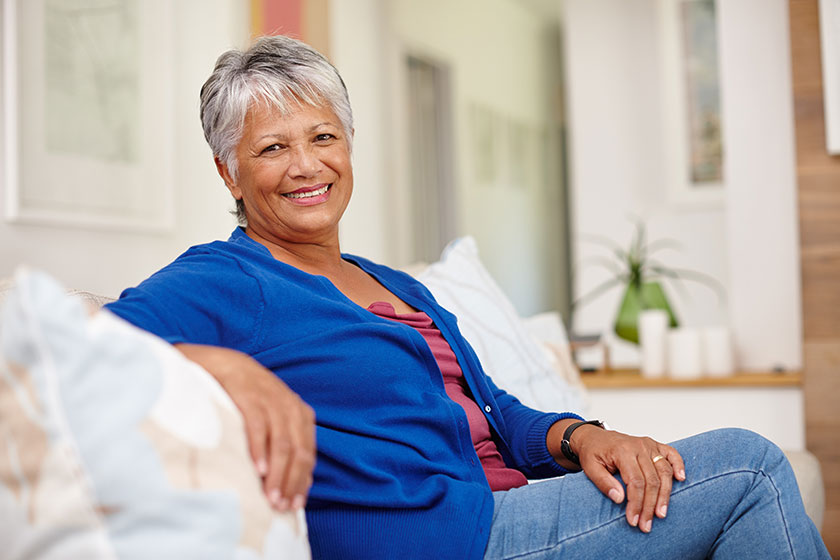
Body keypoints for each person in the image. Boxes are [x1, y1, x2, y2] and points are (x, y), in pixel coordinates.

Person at [105, 35, 830, 559]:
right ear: (229, 173)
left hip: (507, 501)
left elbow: (498, 413)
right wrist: (215, 363)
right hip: (446, 537)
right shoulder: (227, 280)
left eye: (323, 136)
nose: (306, 166)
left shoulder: (395, 284)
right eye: (271, 149)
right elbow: (76, 341)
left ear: (348, 146)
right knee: (751, 468)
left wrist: (584, 437)